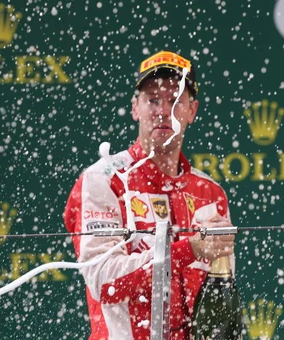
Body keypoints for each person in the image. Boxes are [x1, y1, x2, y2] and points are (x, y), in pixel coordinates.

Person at [64, 51, 236, 340]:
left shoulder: (210, 193)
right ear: (135, 108)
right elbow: (105, 283)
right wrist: (189, 249)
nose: (162, 110)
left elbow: (221, 295)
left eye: (175, 101)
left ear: (192, 111)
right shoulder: (102, 180)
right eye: (152, 100)